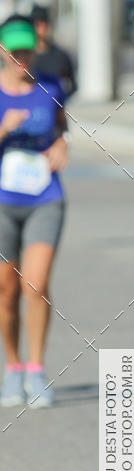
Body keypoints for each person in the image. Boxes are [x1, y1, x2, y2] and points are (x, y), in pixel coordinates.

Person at [0, 14, 70, 408]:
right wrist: (3, 130)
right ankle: (12, 368)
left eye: (26, 48)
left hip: (46, 197)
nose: (21, 56)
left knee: (35, 285)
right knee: (6, 291)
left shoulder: (50, 87)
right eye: (14, 50)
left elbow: (62, 129)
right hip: (2, 202)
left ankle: (36, 369)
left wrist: (63, 146)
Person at [31, 4, 76, 99]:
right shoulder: (25, 58)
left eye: (45, 24)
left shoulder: (61, 56)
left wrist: (59, 99)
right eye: (38, 25)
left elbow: (73, 85)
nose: (42, 29)